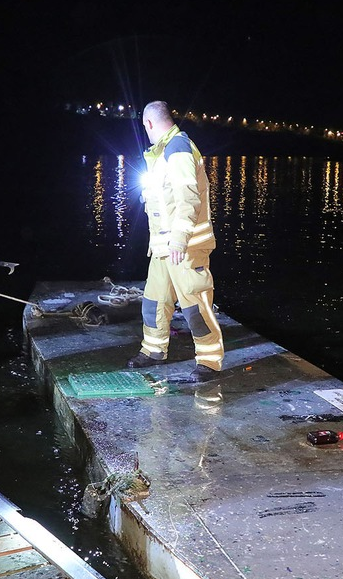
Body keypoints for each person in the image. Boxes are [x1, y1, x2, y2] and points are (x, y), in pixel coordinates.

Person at [127, 101, 223, 382]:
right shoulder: (163, 152)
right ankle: (154, 350)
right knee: (154, 301)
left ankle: (209, 361)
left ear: (148, 124)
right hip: (163, 247)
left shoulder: (178, 148)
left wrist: (180, 241)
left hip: (186, 246)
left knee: (195, 306)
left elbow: (188, 197)